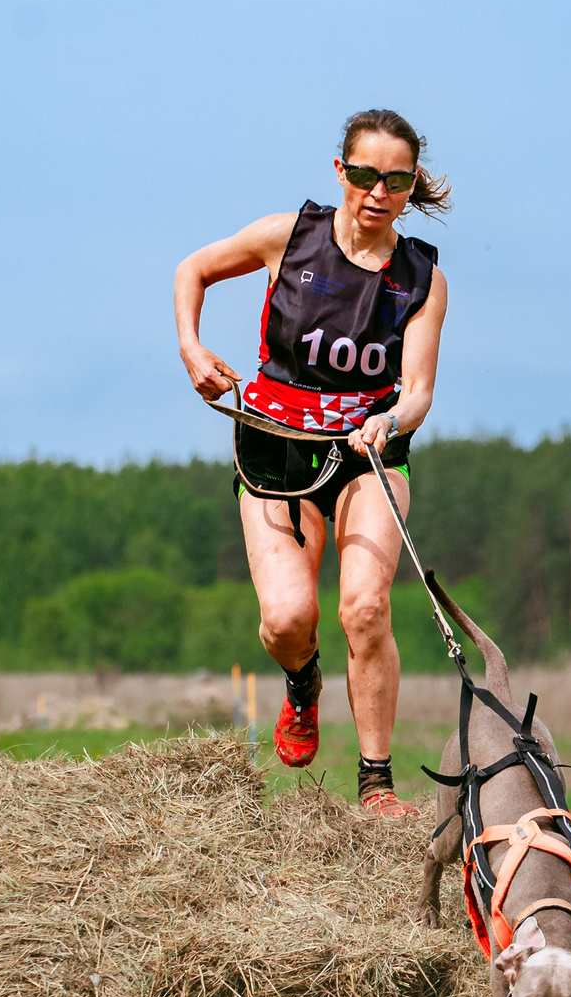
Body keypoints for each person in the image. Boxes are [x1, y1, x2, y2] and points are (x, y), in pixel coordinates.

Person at [172, 107, 451, 819]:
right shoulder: (289, 238)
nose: (377, 191)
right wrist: (192, 348)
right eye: (364, 174)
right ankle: (302, 686)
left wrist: (389, 419)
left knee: (363, 606)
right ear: (341, 172)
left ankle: (377, 785)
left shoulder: (420, 278)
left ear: (410, 183)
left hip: (368, 452)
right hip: (274, 445)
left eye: (395, 179)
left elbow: (417, 390)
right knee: (288, 618)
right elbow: (193, 268)